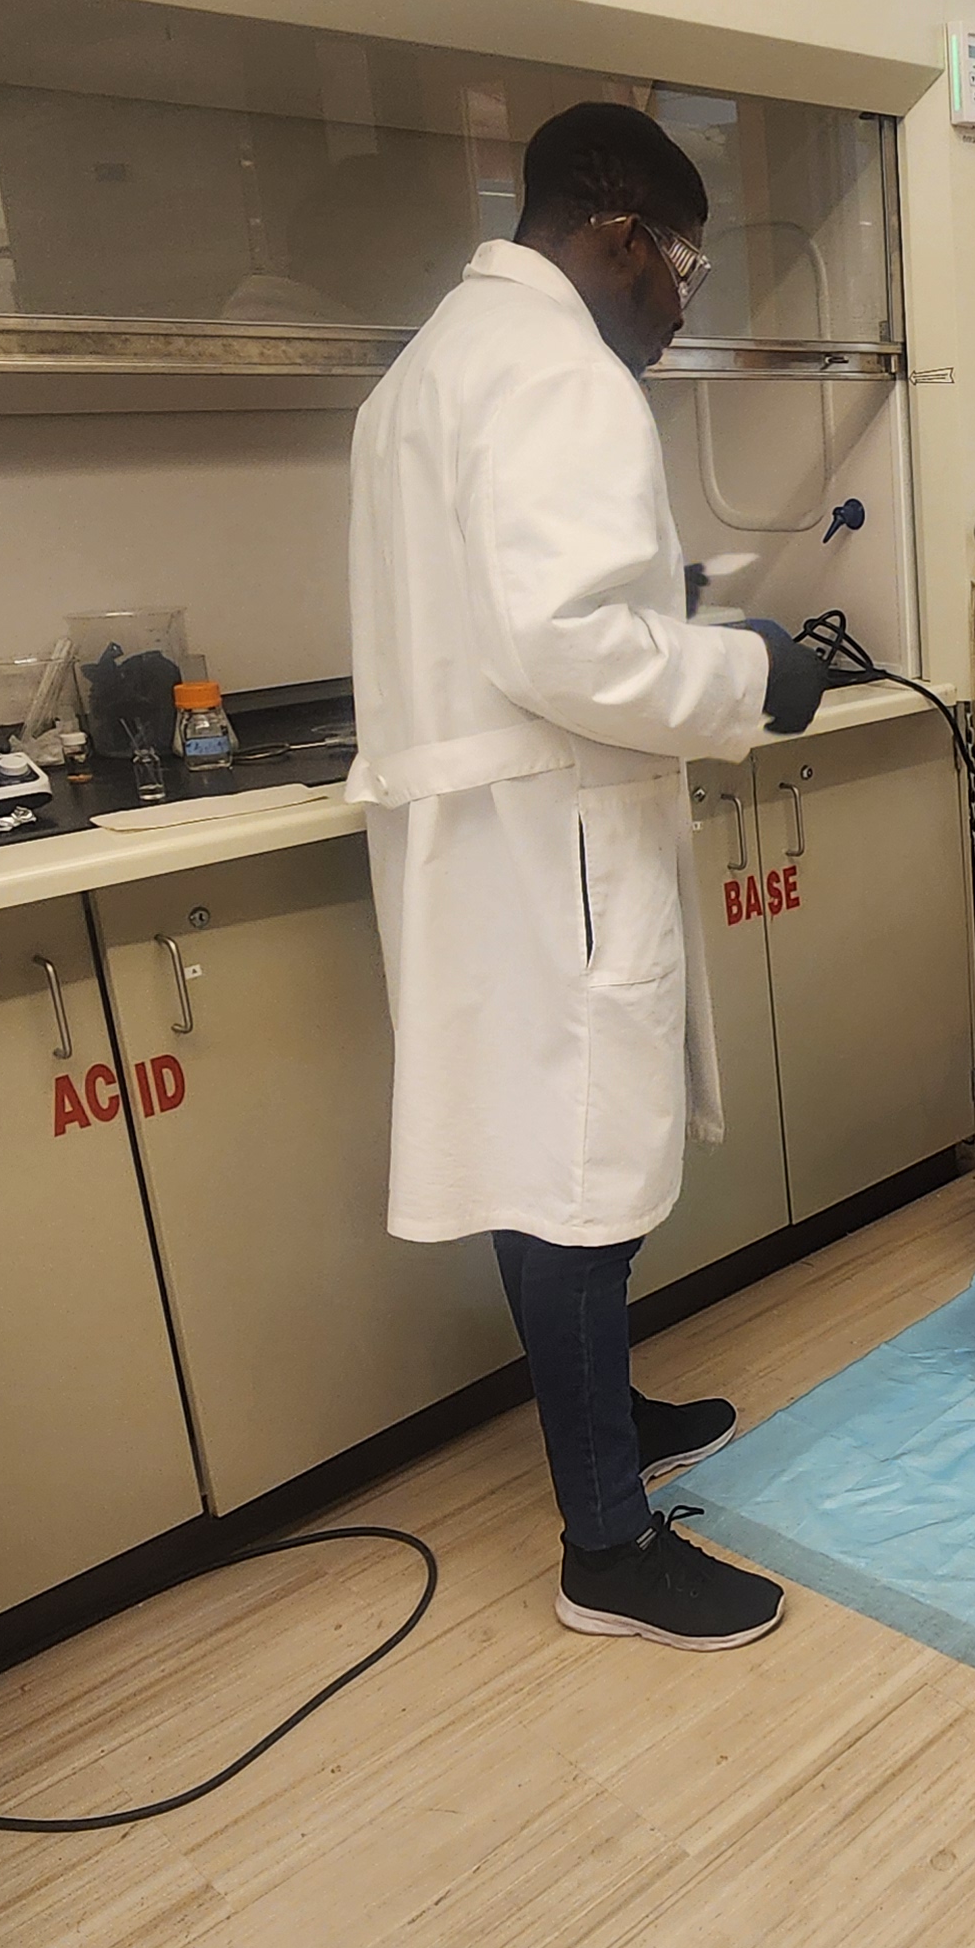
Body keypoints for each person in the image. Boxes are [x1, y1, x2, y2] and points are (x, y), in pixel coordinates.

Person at [346, 100, 830, 1651]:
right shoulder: (559, 373)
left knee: (545, 1160)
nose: (682, 301)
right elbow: (568, 646)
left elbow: (525, 621)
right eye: (681, 263)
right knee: (573, 1181)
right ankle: (608, 1549)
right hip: (552, 835)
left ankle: (610, 1415)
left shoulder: (431, 367)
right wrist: (752, 670)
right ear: (616, 232)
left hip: (492, 843)